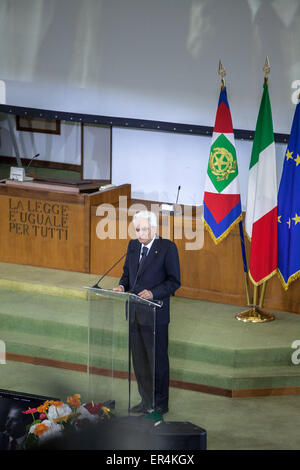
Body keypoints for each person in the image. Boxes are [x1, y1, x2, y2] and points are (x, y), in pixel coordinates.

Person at [113, 210, 180, 415]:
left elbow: (174, 281)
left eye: (144, 229)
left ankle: (160, 403)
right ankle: (145, 400)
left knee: (157, 360)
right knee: (139, 360)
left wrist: (153, 293)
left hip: (156, 314)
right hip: (134, 312)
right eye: (137, 229)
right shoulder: (133, 246)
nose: (140, 233)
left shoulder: (167, 248)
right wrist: (122, 287)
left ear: (154, 228)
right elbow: (127, 274)